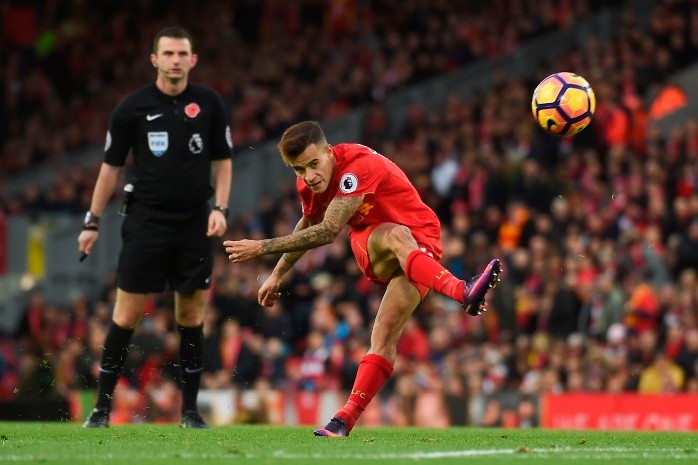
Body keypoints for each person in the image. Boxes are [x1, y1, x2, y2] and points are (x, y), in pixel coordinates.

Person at [224, 121, 500, 436]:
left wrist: (261, 247)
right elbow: (311, 225)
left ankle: (343, 420)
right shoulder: (309, 186)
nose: (309, 176)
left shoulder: (357, 166)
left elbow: (328, 231)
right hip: (373, 241)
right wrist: (276, 274)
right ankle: (463, 291)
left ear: (328, 152)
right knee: (396, 235)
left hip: (423, 244)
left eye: (313, 164)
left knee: (383, 337)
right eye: (299, 170)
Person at [78, 26, 233, 428]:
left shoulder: (209, 103)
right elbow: (110, 168)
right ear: (155, 59)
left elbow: (223, 160)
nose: (175, 60)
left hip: (194, 222)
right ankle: (101, 409)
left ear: (193, 60)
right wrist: (92, 221)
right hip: (146, 220)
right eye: (168, 54)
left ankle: (190, 412)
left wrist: (221, 208)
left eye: (182, 54)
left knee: (191, 315)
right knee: (126, 313)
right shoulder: (132, 108)